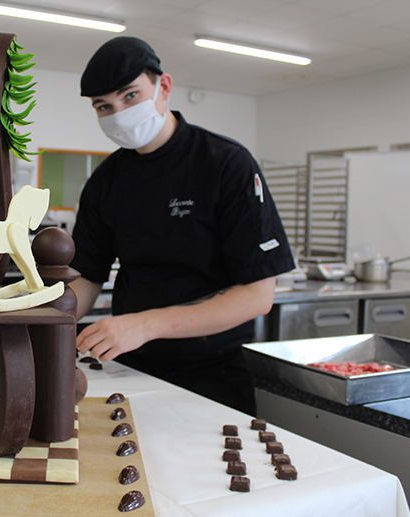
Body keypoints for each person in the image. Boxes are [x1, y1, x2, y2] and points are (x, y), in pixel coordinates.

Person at [69, 36, 295, 415]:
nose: (119, 114)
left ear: (164, 87)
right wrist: (39, 327)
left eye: (130, 96)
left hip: (212, 371)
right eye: (104, 106)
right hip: (130, 366)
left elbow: (257, 296)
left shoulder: (226, 164)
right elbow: (87, 277)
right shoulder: (106, 181)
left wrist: (145, 325)